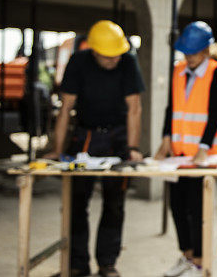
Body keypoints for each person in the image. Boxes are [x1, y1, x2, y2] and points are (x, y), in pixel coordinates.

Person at [45, 20, 145, 277]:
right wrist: (58, 149)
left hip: (117, 138)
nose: (113, 61)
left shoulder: (128, 61)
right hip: (85, 137)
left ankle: (107, 263)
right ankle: (78, 264)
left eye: (116, 56)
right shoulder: (78, 62)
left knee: (115, 203)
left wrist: (133, 147)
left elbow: (134, 108)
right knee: (77, 202)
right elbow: (66, 108)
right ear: (94, 50)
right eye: (107, 57)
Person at [155, 21, 217, 277]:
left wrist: (203, 147)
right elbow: (172, 107)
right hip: (178, 153)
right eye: (186, 54)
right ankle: (187, 256)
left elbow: (213, 114)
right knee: (176, 206)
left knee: (197, 208)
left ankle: (200, 261)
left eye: (194, 54)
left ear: (206, 51)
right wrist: (166, 138)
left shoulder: (215, 71)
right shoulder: (178, 70)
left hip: (205, 155)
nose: (189, 58)